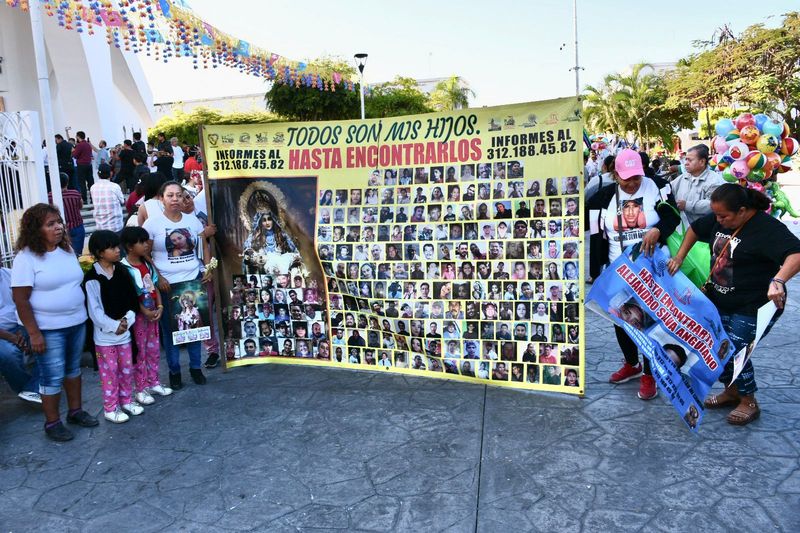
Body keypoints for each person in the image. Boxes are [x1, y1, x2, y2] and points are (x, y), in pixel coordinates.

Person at [668, 184, 800, 425]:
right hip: (719, 300)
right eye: (716, 215)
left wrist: (779, 280)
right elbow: (695, 229)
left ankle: (748, 400)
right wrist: (679, 256)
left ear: (742, 211)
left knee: (734, 351)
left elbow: (796, 253)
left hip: (755, 305)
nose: (717, 221)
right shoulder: (720, 219)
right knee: (716, 347)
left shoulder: (766, 228)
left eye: (723, 216)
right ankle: (731, 391)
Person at [587, 149, 680, 400]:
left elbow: (673, 216)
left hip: (652, 270)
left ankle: (650, 374)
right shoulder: (602, 196)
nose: (632, 183)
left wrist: (658, 230)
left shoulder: (658, 186)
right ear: (615, 174)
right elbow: (596, 236)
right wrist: (595, 273)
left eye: (636, 177)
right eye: (626, 178)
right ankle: (632, 363)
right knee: (622, 318)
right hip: (618, 269)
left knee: (648, 321)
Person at [12, 203, 98, 441]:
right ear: (35, 229)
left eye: (59, 222)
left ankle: (75, 411)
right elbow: (20, 299)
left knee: (72, 369)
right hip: (47, 329)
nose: (58, 227)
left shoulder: (67, 249)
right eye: (50, 224)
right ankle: (52, 423)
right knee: (51, 376)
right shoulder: (26, 258)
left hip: (76, 322)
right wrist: (34, 333)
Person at [142, 181, 211, 389]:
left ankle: (196, 368)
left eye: (179, 195)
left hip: (192, 279)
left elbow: (203, 245)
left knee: (195, 327)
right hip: (166, 284)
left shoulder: (193, 221)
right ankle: (174, 371)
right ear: (161, 198)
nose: (175, 199)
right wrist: (158, 277)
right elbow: (145, 253)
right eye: (170, 195)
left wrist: (208, 268)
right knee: (171, 331)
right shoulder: (152, 224)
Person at [83, 231, 143, 423]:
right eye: (112, 247)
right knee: (109, 372)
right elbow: (95, 312)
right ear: (100, 252)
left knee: (126, 368)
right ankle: (110, 407)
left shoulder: (123, 272)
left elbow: (132, 301)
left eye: (118, 246)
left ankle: (126, 400)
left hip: (124, 334)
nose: (118, 250)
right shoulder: (92, 278)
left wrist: (126, 321)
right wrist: (114, 325)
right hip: (104, 338)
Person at [0, 266, 41, 403]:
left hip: (19, 324)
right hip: (2, 333)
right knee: (8, 354)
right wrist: (13, 338)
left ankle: (33, 388)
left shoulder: (9, 274)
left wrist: (24, 328)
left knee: (49, 339)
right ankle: (29, 388)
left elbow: (24, 302)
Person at [670, 144, 725, 224]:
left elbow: (714, 204)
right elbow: (669, 190)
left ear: (702, 162)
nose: (686, 163)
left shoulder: (714, 180)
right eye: (686, 160)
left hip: (702, 230)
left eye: (690, 160)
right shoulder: (683, 177)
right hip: (681, 229)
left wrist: (687, 205)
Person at [90, 163, 125, 234]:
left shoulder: (93, 188)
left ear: (98, 174)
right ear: (111, 173)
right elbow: (122, 201)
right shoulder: (115, 187)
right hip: (115, 226)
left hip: (100, 227)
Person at [71, 131, 94, 202]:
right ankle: (92, 198)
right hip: (89, 164)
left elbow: (74, 155)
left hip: (81, 165)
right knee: (90, 181)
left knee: (82, 182)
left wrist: (72, 151)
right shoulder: (88, 144)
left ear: (78, 136)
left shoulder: (80, 145)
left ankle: (84, 199)